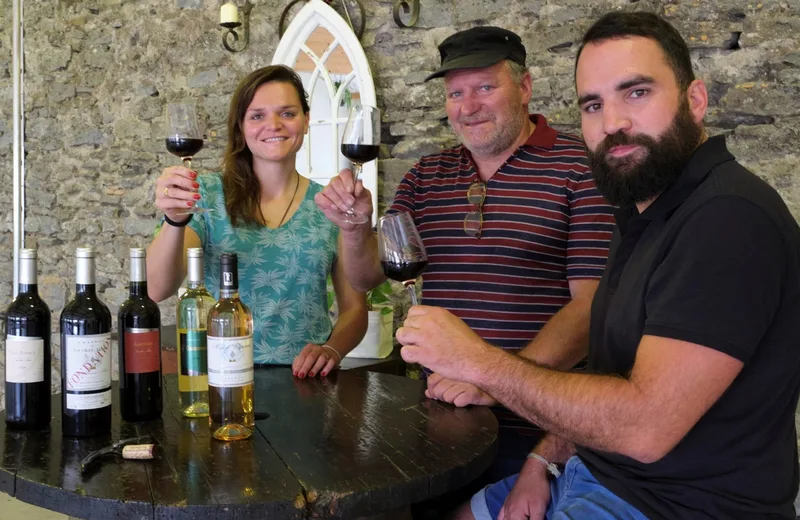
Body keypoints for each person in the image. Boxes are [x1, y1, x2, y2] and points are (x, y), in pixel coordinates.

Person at [397, 11, 800, 520]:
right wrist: (542, 462)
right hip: (590, 470)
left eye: (637, 92)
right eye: (593, 104)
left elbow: (643, 427)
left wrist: (478, 362)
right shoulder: (645, 212)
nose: (613, 123)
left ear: (695, 100)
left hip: (672, 505)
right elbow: (610, 378)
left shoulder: (728, 219)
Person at [316, 26, 615, 479]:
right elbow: (366, 278)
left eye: (485, 88)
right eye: (456, 93)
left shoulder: (579, 168)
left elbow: (592, 307)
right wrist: (355, 228)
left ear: (525, 87)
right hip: (437, 416)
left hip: (540, 430)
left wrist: (494, 378)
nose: (468, 106)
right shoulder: (426, 175)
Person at [147, 65, 368, 379]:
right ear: (241, 127)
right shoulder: (206, 195)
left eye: (287, 113)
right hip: (219, 377)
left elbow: (356, 310)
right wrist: (173, 220)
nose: (273, 125)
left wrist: (332, 349)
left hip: (305, 382)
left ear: (306, 121)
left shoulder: (329, 205)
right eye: (257, 115)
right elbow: (157, 288)